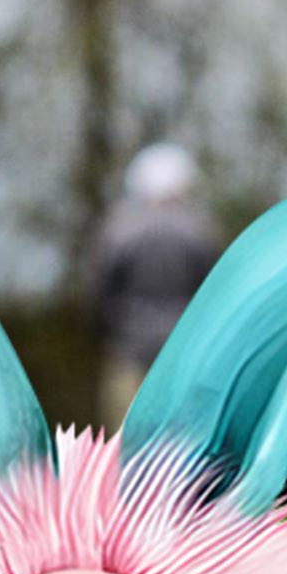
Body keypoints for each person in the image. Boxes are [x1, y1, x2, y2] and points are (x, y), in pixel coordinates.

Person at [92, 143, 221, 432]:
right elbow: (212, 296)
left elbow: (103, 296)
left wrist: (109, 333)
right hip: (183, 357)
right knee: (179, 447)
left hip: (129, 353)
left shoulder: (118, 230)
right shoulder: (200, 231)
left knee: (126, 445)